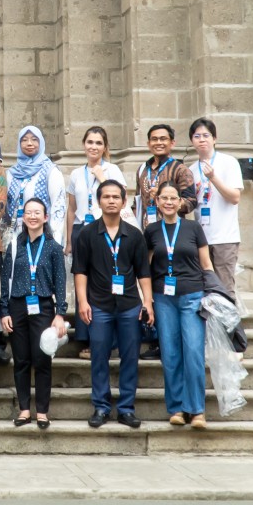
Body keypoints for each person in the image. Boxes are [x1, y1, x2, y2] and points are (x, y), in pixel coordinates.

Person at [73, 179, 152, 428]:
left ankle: (126, 409)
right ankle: (101, 407)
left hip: (130, 305)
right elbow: (80, 271)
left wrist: (148, 302)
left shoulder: (134, 235)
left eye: (116, 197)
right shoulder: (87, 234)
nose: (111, 201)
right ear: (99, 201)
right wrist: (82, 302)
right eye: (106, 197)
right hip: (99, 305)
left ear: (124, 201)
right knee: (99, 357)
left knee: (130, 357)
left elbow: (143, 272)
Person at [146, 181, 216, 428]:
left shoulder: (193, 227)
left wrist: (214, 294)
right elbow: (146, 268)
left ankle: (196, 410)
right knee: (170, 353)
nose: (168, 202)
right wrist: (147, 300)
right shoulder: (151, 231)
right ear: (157, 202)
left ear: (180, 202)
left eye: (173, 198)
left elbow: (206, 264)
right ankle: (176, 408)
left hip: (192, 296)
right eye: (164, 198)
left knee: (194, 352)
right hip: (163, 299)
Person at [0, 197, 70, 428]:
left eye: (37, 212)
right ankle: (24, 410)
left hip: (43, 307)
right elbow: (5, 279)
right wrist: (4, 311)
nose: (32, 216)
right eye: (28, 212)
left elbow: (60, 283)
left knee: (42, 359)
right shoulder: (15, 245)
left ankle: (42, 412)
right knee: (21, 359)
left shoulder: (53, 247)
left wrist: (60, 313)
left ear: (45, 217)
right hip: (18, 306)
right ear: (23, 216)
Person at [187, 118, 247, 294]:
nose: (202, 140)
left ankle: (229, 314)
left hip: (224, 236)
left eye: (206, 135)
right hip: (202, 238)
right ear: (192, 141)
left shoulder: (228, 162)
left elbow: (235, 197)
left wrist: (213, 178)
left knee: (225, 289)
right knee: (206, 288)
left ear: (214, 138)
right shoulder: (191, 169)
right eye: (197, 136)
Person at [66, 126, 130, 241]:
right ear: (84, 145)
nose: (94, 147)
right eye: (90, 142)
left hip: (104, 227)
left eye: (99, 143)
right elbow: (71, 208)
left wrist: (102, 179)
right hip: (80, 227)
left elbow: (123, 199)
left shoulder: (112, 169)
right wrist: (69, 241)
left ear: (105, 148)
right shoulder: (76, 173)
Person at [5, 124, 67, 234]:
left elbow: (58, 206)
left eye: (34, 139)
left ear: (41, 143)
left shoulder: (51, 171)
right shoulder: (11, 173)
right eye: (24, 140)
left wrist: (54, 238)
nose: (29, 143)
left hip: (42, 235)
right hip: (14, 235)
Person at [136, 123, 194, 227]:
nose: (158, 142)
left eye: (163, 139)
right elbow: (137, 201)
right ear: (148, 144)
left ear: (172, 143)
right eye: (154, 139)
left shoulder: (181, 170)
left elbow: (191, 203)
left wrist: (165, 197)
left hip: (173, 229)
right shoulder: (142, 169)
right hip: (146, 230)